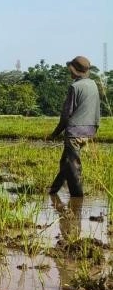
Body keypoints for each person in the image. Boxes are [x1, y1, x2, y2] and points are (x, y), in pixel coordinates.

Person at [48, 56, 101, 197]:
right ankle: (53, 191)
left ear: (76, 70)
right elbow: (96, 110)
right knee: (66, 162)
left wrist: (55, 134)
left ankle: (77, 198)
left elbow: (66, 115)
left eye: (71, 69)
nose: (70, 72)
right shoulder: (93, 84)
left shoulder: (75, 87)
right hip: (89, 130)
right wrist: (93, 130)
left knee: (73, 167)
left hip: (74, 131)